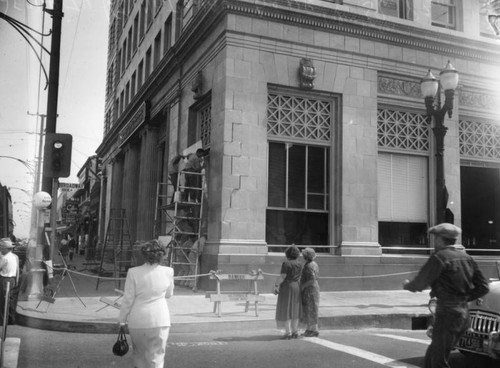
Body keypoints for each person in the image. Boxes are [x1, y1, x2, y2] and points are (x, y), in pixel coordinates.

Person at [403, 223, 489, 368]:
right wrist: (464, 299)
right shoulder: (466, 257)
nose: (434, 241)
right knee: (433, 357)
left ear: (440, 239)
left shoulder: (440, 257)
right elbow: (483, 287)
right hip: (463, 314)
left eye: (435, 237)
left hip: (447, 314)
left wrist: (407, 284)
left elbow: (420, 283)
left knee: (438, 361)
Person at [118, 240, 175, 368]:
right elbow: (169, 294)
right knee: (157, 357)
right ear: (162, 255)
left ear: (144, 255)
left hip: (138, 320)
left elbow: (128, 298)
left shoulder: (133, 272)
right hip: (160, 319)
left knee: (139, 356)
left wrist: (122, 320)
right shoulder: (168, 271)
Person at [275, 246, 302, 339]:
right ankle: (295, 331)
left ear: (287, 254)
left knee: (287, 309)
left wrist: (276, 285)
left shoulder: (286, 264)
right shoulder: (299, 264)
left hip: (287, 287)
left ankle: (288, 332)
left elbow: (283, 277)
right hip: (297, 286)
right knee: (295, 310)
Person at [300, 247, 320, 337]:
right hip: (313, 288)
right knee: (312, 309)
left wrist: (303, 286)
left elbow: (311, 279)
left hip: (310, 289)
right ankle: (310, 329)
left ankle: (313, 330)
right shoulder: (314, 264)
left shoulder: (308, 265)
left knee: (310, 309)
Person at [0, 238, 19, 325]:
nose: (1, 250)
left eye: (2, 248)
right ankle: (11, 319)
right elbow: (17, 270)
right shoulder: (15, 257)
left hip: (5, 280)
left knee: (3, 301)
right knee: (11, 300)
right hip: (12, 280)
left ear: (6, 249)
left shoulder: (4, 258)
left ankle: (3, 321)